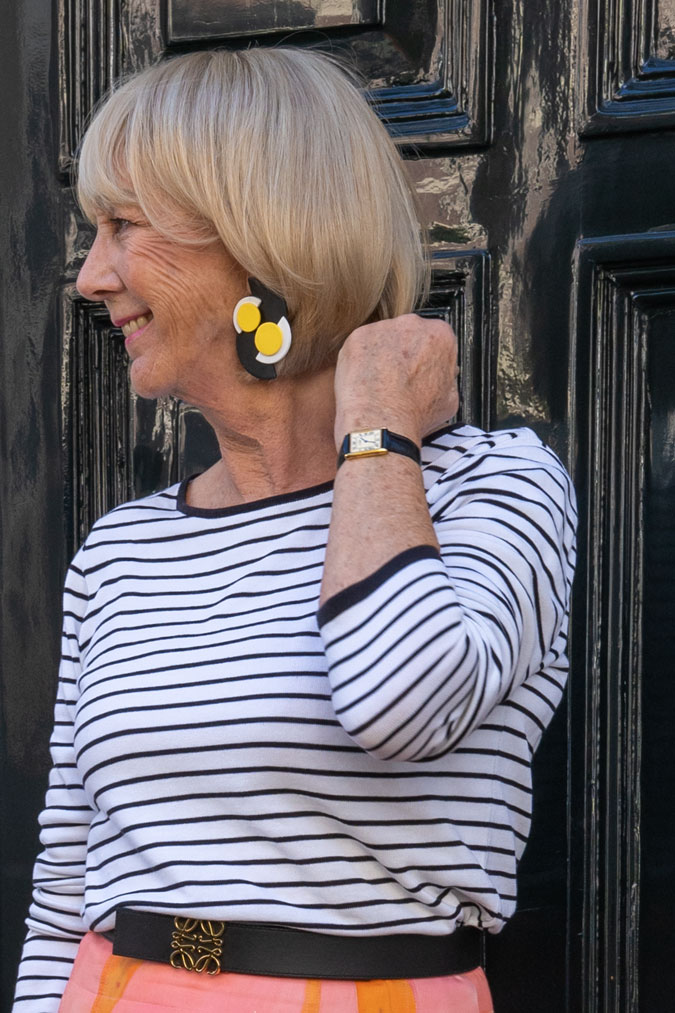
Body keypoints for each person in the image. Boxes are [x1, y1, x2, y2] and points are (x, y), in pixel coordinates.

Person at [12, 47, 577, 1013]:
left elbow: (403, 705)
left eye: (123, 226)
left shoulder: (492, 487)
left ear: (259, 235)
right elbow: (67, 880)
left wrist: (376, 419)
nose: (91, 277)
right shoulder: (121, 552)